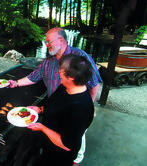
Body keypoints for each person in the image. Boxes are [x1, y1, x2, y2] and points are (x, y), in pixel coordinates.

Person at [8, 27, 102, 163]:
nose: (46, 45)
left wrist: (87, 106)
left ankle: (76, 161)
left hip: (72, 113)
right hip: (57, 110)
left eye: (49, 41)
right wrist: (16, 84)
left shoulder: (79, 59)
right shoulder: (62, 86)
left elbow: (94, 85)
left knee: (75, 140)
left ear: (61, 40)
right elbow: (34, 77)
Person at [27, 54, 94, 166]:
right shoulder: (65, 86)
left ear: (71, 77)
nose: (58, 72)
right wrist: (40, 109)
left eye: (61, 70)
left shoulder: (81, 108)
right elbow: (55, 105)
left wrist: (42, 128)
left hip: (60, 155)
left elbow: (66, 144)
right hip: (48, 146)